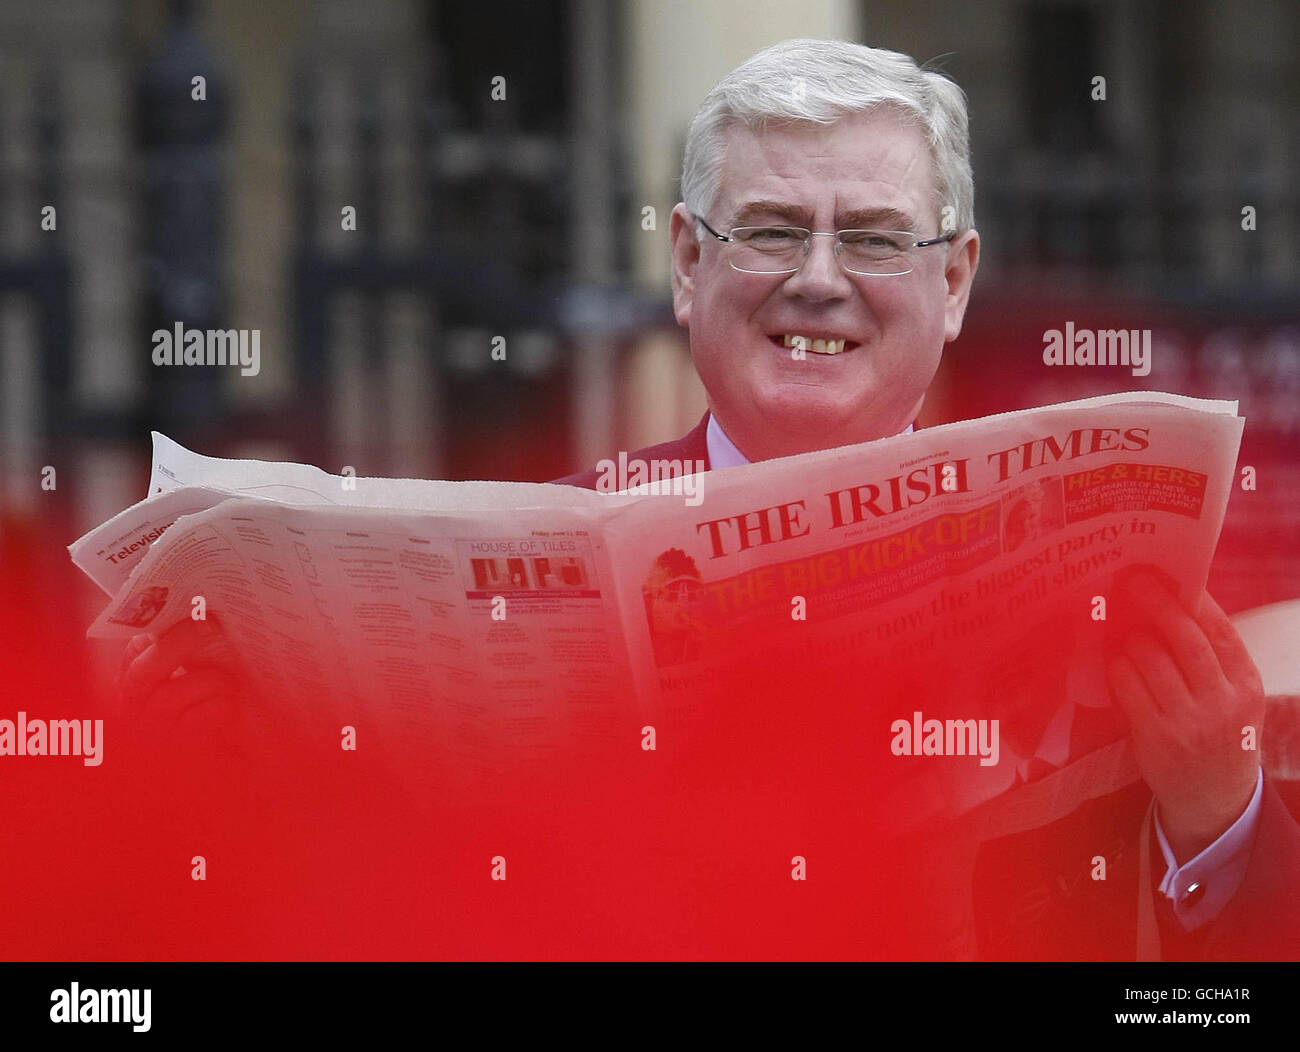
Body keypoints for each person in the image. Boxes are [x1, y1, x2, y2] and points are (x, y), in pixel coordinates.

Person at [123, 38, 1298, 959]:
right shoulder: (538, 557)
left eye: (877, 241)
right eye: (773, 229)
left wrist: (1218, 813)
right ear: (687, 265)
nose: (820, 279)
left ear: (954, 282)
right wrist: (221, 780)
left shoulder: (1127, 576)